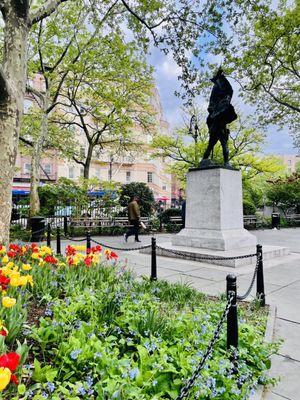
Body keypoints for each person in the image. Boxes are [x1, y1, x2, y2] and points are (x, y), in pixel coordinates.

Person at [200, 68, 237, 168]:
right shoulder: (217, 92)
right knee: (222, 143)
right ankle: (226, 163)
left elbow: (228, 92)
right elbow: (228, 91)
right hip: (217, 124)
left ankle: (204, 159)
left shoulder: (219, 94)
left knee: (212, 144)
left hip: (218, 123)